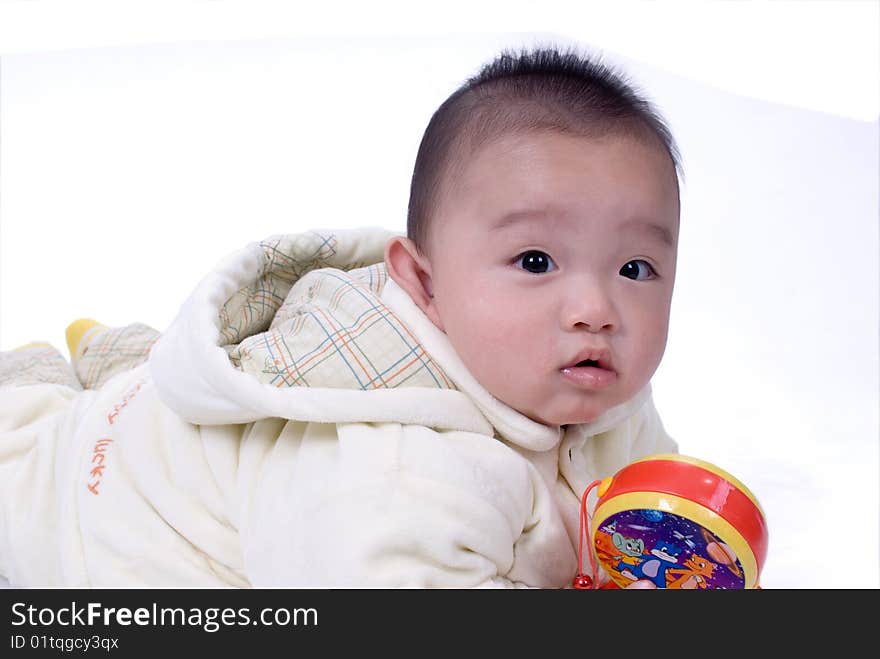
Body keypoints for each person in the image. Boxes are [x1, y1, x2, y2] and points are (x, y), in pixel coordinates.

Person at [0, 44, 681, 588]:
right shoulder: (391, 471)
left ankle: (110, 358)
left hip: (188, 450)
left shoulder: (597, 389)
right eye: (536, 261)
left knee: (155, 394)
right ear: (423, 283)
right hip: (94, 511)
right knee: (27, 459)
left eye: (635, 269)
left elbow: (653, 501)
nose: (597, 310)